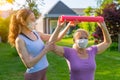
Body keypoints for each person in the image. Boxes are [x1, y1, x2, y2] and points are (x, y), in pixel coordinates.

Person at [8, 8, 74, 80]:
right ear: (23, 22)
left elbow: (56, 38)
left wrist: (65, 26)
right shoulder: (20, 40)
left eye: (34, 19)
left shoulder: (36, 33)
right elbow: (29, 64)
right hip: (33, 76)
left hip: (43, 73)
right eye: (32, 19)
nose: (35, 22)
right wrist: (45, 50)